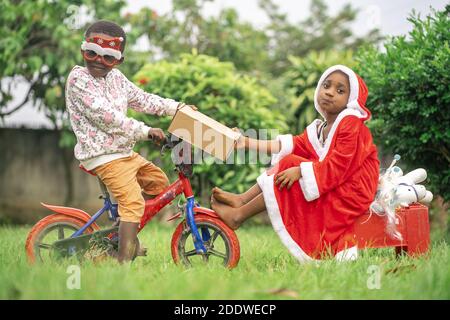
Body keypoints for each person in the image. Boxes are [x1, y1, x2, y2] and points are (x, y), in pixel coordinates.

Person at [211, 65, 380, 262]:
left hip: (354, 191)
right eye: (326, 85)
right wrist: (244, 142)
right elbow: (290, 145)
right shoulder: (322, 127)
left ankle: (238, 215)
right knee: (288, 159)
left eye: (340, 90)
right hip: (337, 182)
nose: (330, 92)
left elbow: (339, 165)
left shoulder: (351, 124)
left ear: (350, 100)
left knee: (290, 165)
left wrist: (300, 170)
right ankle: (241, 201)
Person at [65, 20, 195, 263]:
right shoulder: (78, 79)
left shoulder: (116, 78)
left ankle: (123, 230)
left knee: (159, 183)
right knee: (133, 201)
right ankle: (122, 260)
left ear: (119, 60)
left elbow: (143, 99)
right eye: (91, 53)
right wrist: (146, 131)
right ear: (83, 50)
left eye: (108, 57)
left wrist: (177, 108)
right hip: (102, 155)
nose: (98, 60)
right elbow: (108, 117)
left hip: (123, 153)